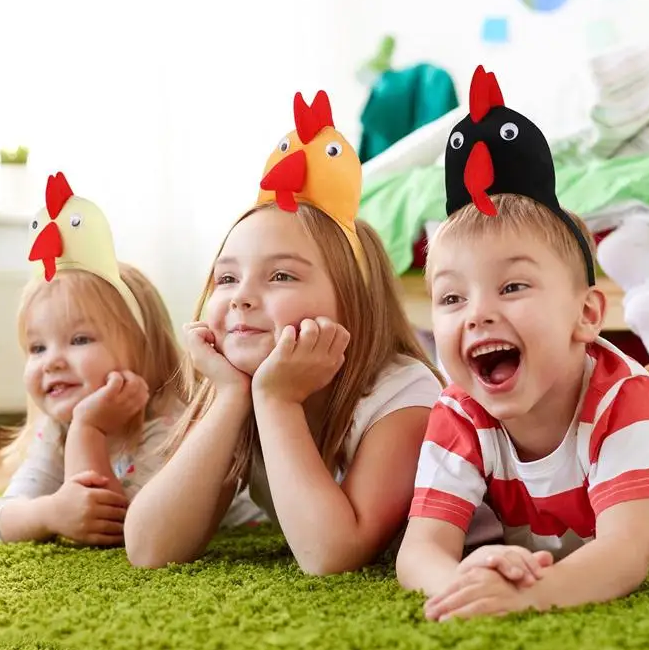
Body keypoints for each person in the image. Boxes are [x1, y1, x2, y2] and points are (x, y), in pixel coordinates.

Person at [395, 64, 649, 619]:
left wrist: (528, 595)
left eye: (511, 286)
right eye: (451, 298)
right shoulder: (458, 413)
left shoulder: (628, 406)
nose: (477, 314)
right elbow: (420, 549)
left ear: (585, 315)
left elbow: (622, 555)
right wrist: (461, 579)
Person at [125, 90, 443, 574]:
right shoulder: (241, 382)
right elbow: (149, 548)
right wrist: (232, 394)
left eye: (281, 277)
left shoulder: (403, 396)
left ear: (354, 303)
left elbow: (332, 555)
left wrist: (277, 402)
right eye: (226, 278)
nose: (240, 297)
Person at [0, 173, 184, 546]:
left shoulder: (169, 427)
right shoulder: (55, 427)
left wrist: (87, 429)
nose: (51, 362)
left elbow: (111, 528)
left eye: (79, 339)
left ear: (146, 350)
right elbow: (4, 517)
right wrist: (47, 513)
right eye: (37, 348)